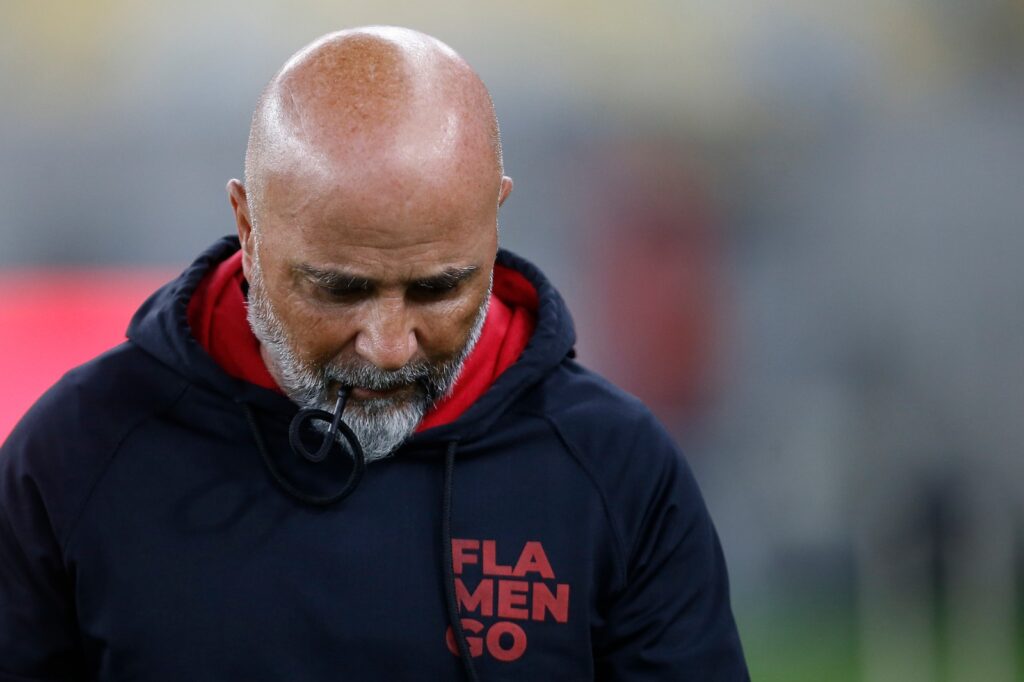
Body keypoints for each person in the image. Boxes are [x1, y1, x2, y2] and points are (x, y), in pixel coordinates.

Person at [0, 26, 749, 681]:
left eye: (436, 290)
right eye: (339, 290)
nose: (388, 347)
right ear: (249, 229)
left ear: (494, 220)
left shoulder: (616, 472)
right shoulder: (73, 458)